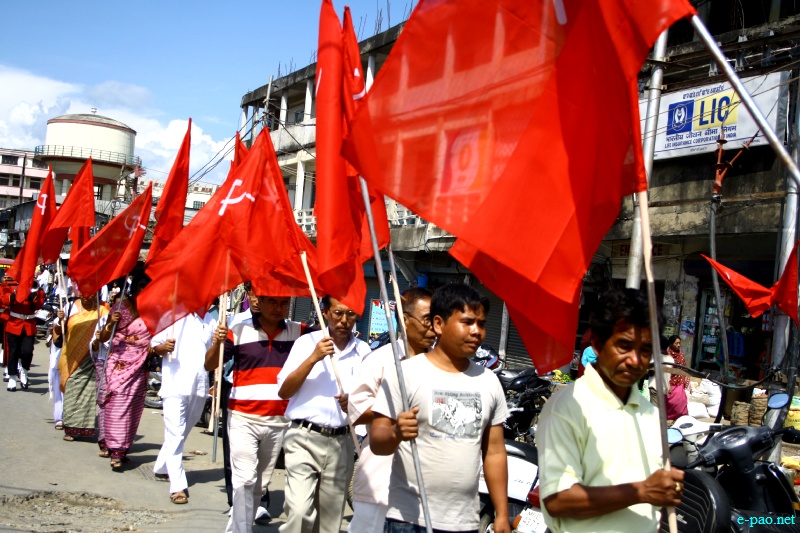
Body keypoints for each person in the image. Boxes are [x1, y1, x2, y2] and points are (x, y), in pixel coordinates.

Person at [536, 288, 684, 533]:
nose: (635, 360)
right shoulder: (568, 407)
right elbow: (557, 500)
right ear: (597, 344)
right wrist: (642, 491)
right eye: (624, 346)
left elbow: (649, 506)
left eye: (645, 350)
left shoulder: (649, 412)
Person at [370, 283, 510, 533]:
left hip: (464, 522)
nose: (476, 331)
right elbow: (377, 442)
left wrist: (501, 513)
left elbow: (495, 452)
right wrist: (395, 433)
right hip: (409, 520)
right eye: (467, 322)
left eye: (481, 324)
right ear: (438, 324)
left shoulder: (488, 381)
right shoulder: (405, 374)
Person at [208, 294, 308, 533]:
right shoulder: (238, 330)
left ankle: (236, 527)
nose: (278, 308)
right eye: (272, 302)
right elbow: (210, 364)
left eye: (284, 303)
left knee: (259, 485)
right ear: (259, 303)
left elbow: (330, 335)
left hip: (278, 421)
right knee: (244, 480)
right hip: (243, 418)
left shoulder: (300, 332)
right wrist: (217, 344)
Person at [277, 296, 371, 533]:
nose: (344, 320)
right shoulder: (306, 343)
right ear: (326, 312)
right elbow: (284, 391)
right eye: (338, 313)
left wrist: (353, 403)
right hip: (303, 438)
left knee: (330, 521)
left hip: (342, 442)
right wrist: (313, 358)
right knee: (299, 512)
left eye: (350, 314)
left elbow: (368, 398)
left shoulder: (363, 351)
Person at [347, 288, 435, 533]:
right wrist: (395, 414)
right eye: (427, 319)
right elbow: (356, 410)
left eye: (438, 320)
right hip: (380, 477)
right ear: (405, 320)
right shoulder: (380, 360)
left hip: (423, 483)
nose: (433, 327)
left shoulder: (441, 365)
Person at [150, 311, 216, 505]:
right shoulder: (171, 316)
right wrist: (164, 347)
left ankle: (162, 467)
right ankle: (178, 485)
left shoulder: (211, 319)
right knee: (176, 433)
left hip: (199, 385)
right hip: (174, 384)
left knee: (184, 430)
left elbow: (212, 356)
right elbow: (154, 346)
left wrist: (219, 342)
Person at [96, 270, 153, 469]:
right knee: (117, 404)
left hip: (140, 363)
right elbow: (104, 337)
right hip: (118, 363)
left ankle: (124, 448)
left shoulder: (154, 310)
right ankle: (114, 450)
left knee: (133, 407)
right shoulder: (121, 308)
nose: (144, 294)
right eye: (140, 290)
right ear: (134, 290)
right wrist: (111, 322)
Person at [57, 294, 108, 441]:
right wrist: (60, 320)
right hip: (71, 358)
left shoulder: (102, 310)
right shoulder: (69, 307)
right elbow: (58, 330)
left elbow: (109, 330)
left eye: (90, 294)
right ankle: (70, 427)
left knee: (88, 393)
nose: (86, 297)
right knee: (71, 387)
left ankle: (83, 427)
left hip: (92, 356)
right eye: (84, 293)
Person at [3, 277, 45, 391]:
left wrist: (33, 297)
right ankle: (12, 377)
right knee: (13, 352)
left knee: (27, 351)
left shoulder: (37, 290)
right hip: (14, 324)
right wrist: (16, 293)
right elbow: (4, 300)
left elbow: (39, 305)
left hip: (29, 325)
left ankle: (24, 371)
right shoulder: (11, 286)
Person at [664, 335, 689, 420]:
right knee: (670, 401)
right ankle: (668, 418)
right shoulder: (667, 355)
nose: (678, 345)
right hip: (670, 382)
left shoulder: (681, 353)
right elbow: (665, 371)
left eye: (679, 343)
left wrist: (686, 380)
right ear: (671, 344)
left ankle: (681, 419)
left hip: (680, 381)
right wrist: (667, 384)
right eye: (676, 343)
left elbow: (684, 367)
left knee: (681, 400)